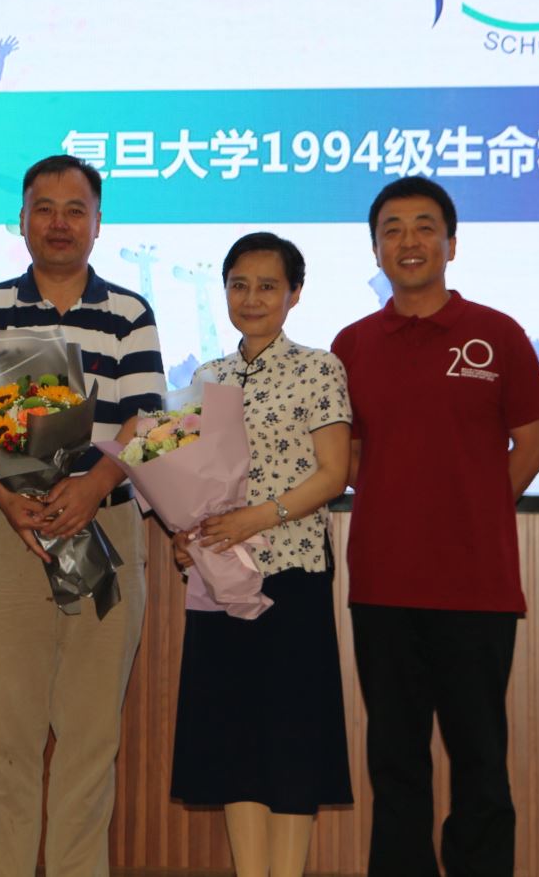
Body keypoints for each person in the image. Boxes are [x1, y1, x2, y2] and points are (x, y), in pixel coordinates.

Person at [330, 177, 539, 877]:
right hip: (384, 584)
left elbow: (532, 446)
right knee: (395, 761)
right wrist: (399, 496)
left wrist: (473, 506)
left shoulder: (497, 333)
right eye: (392, 229)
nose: (409, 241)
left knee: (480, 759)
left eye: (425, 227)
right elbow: (346, 454)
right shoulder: (352, 344)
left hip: (477, 586)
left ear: (451, 244)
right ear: (376, 249)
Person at [0, 154, 164, 877]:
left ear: (99, 223)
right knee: (6, 736)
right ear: (22, 220)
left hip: (105, 526)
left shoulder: (129, 311)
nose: (60, 222)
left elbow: (146, 417)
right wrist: (8, 499)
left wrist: (95, 483)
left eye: (76, 209)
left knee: (90, 735)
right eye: (45, 208)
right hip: (9, 532)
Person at [167, 233, 353, 877]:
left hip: (292, 573)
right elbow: (187, 477)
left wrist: (257, 517)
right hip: (221, 579)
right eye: (239, 285)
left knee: (291, 737)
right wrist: (185, 534)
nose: (252, 298)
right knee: (234, 740)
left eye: (268, 286)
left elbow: (333, 474)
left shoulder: (319, 368)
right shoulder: (206, 377)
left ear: (294, 294)